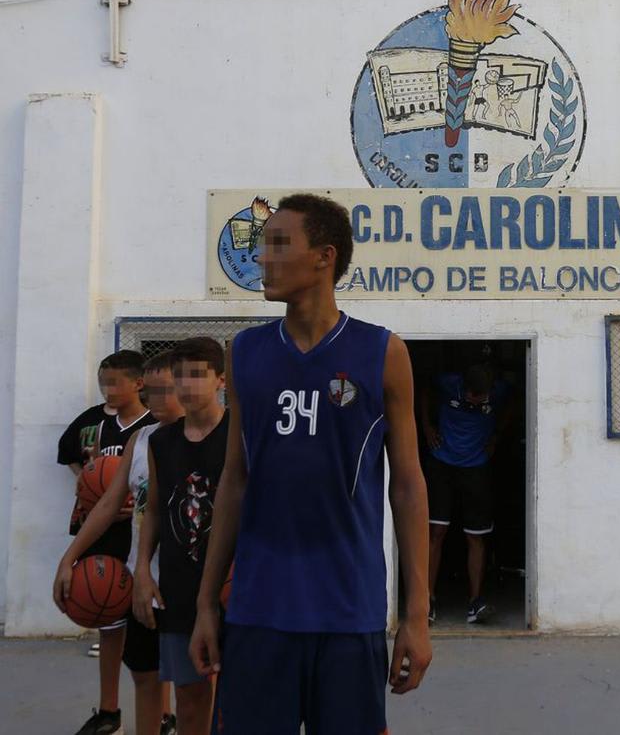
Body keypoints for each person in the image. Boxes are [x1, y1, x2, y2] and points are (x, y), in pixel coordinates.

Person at [189, 193, 432, 734]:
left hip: (349, 610)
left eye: (279, 244)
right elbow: (235, 480)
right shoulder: (245, 351)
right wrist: (207, 602)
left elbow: (409, 486)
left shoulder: (382, 352)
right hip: (258, 608)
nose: (262, 259)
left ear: (324, 256)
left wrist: (416, 617)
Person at [55, 351, 183, 735]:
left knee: (182, 665)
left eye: (165, 391)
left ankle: (168, 718)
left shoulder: (188, 434)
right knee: (128, 647)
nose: (107, 390)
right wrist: (90, 483)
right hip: (124, 553)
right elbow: (100, 490)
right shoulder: (112, 430)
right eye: (102, 382)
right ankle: (112, 713)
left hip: (173, 564)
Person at [133, 338, 229, 735]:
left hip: (232, 584)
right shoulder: (160, 441)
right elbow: (154, 509)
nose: (186, 385)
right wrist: (142, 571)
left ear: (221, 380)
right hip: (178, 585)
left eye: (196, 375)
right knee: (189, 700)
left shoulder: (241, 435)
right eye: (179, 376)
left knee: (239, 701)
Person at [422, 362, 512, 624]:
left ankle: (475, 602)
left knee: (476, 536)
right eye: (475, 398)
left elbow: (513, 401)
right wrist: (427, 426)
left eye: (484, 398)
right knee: (435, 532)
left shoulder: (498, 390)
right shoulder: (448, 382)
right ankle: (427, 600)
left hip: (476, 468)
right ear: (465, 389)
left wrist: (496, 435)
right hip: (442, 465)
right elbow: (424, 390)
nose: (479, 402)